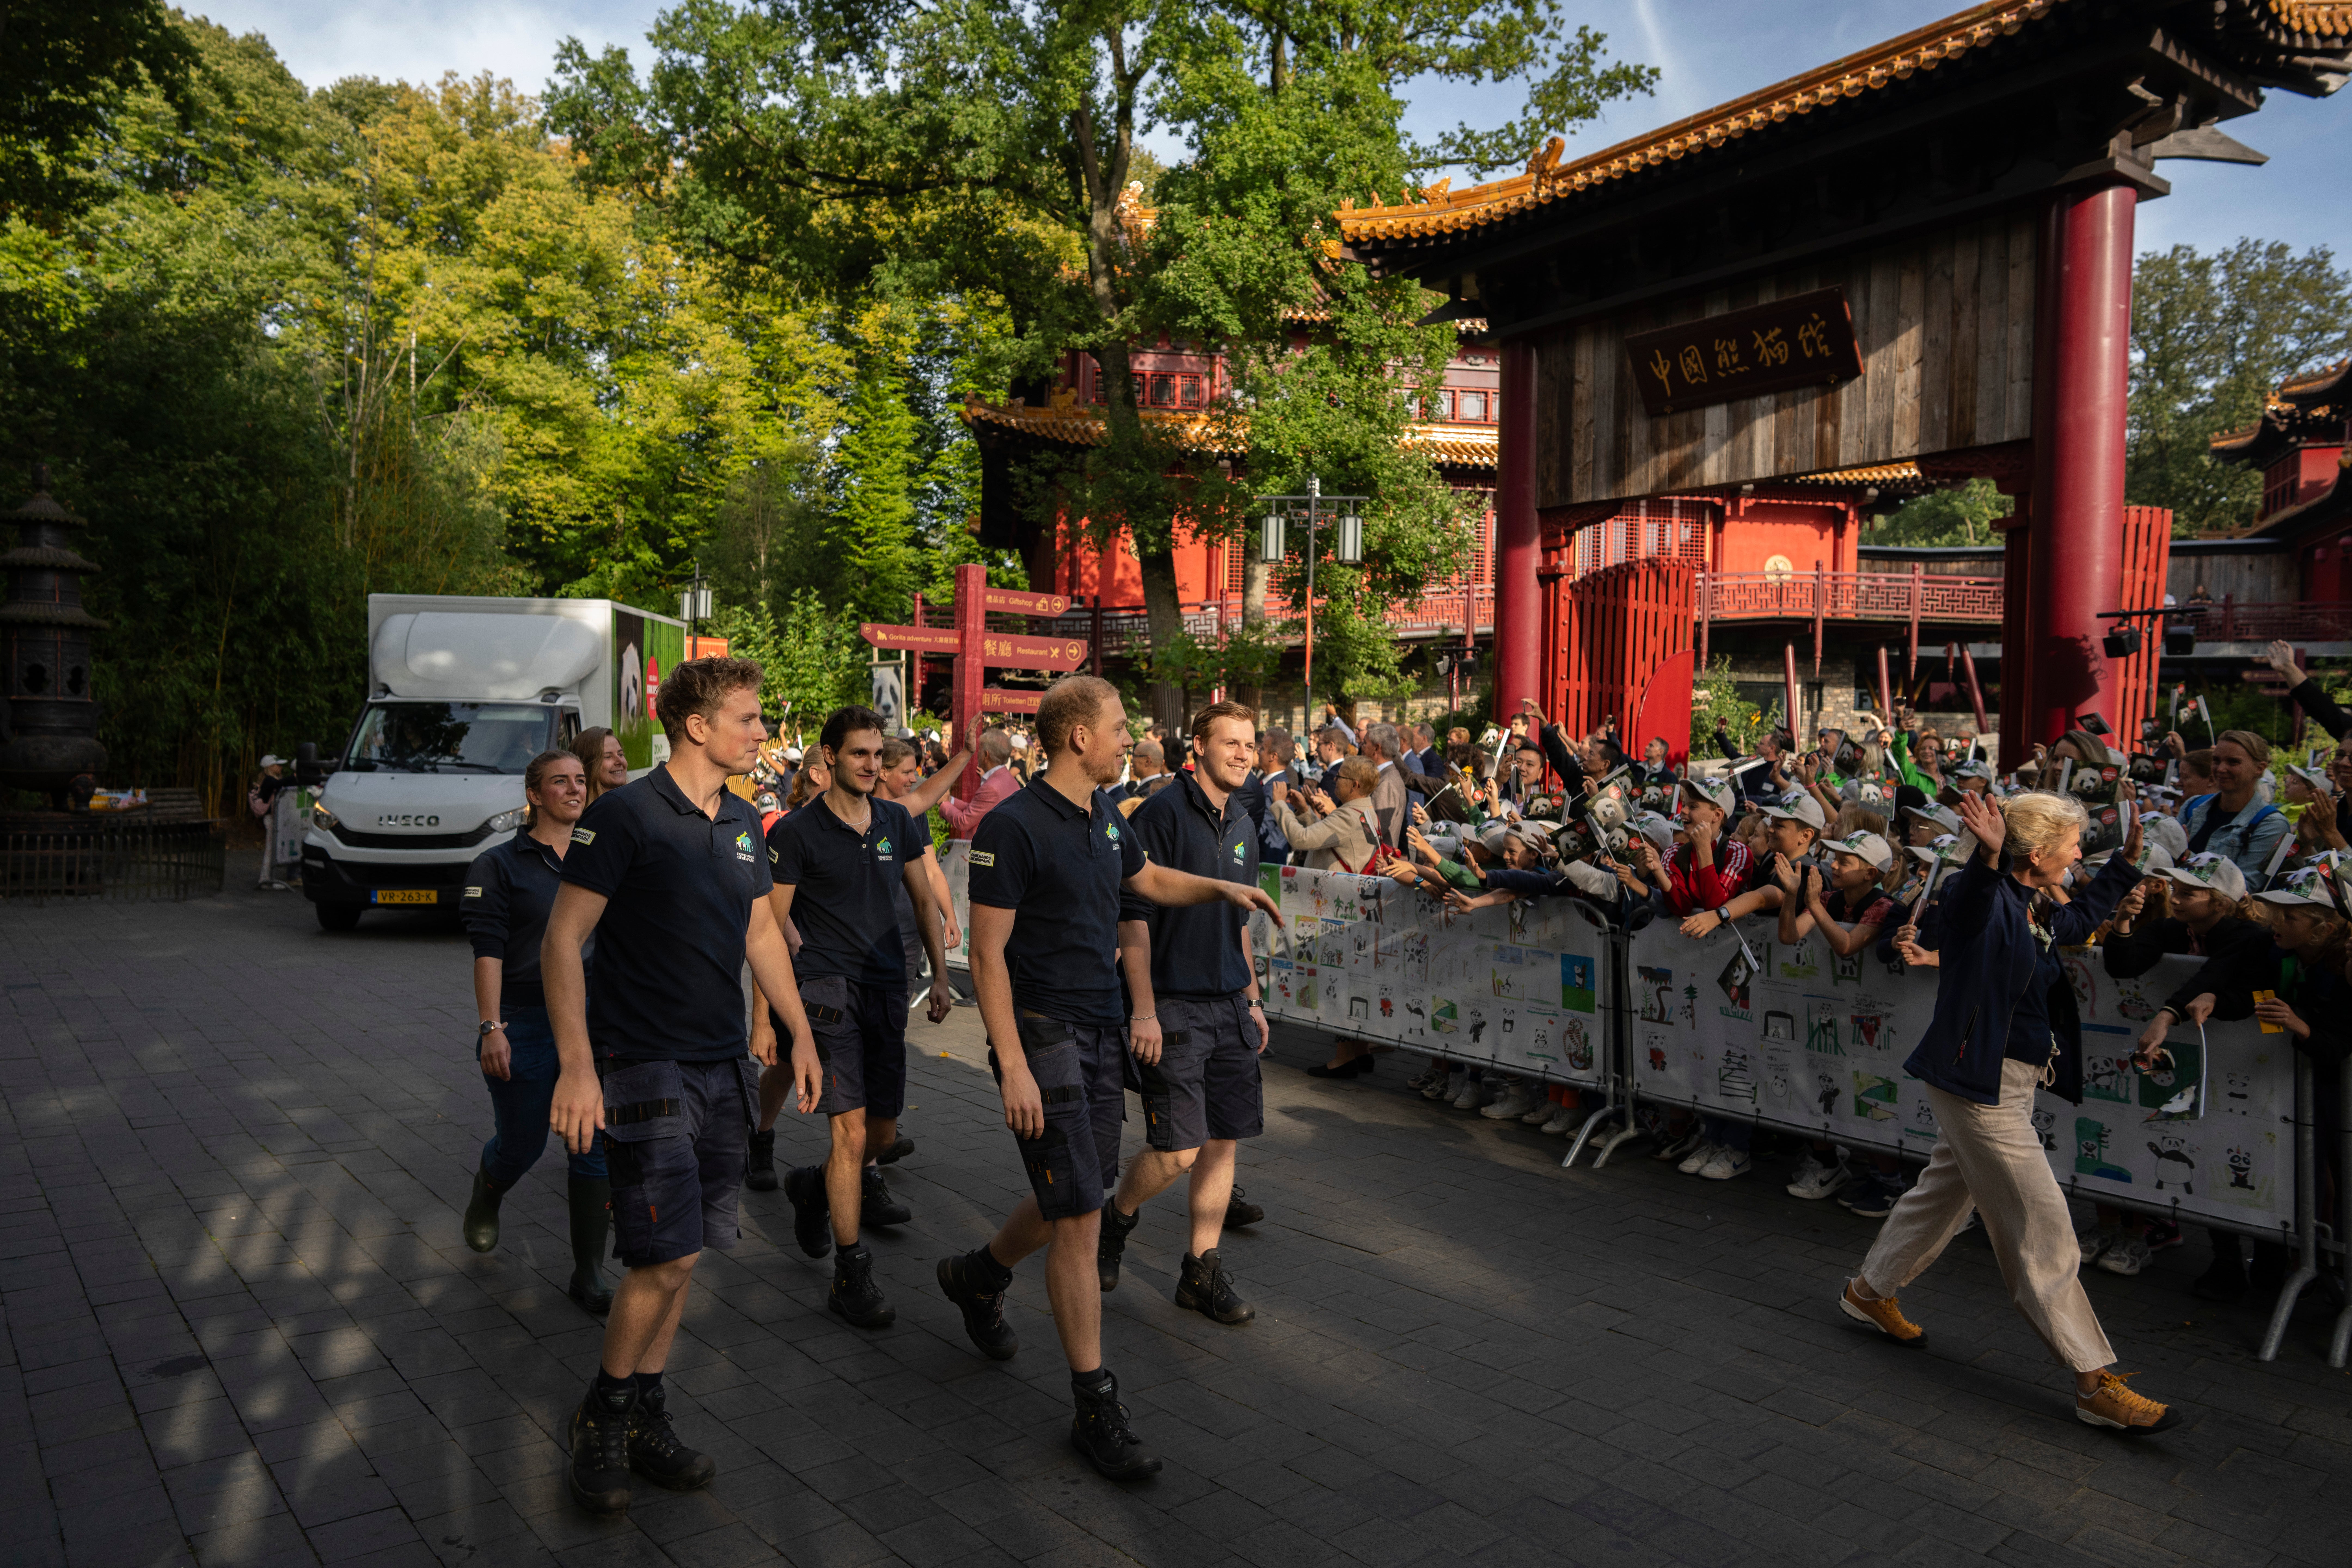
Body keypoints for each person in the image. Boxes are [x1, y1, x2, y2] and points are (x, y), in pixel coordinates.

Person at [935, 675, 1279, 1480]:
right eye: (1120, 726)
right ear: (1077, 737)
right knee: (1083, 1217)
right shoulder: (1013, 826)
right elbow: (985, 956)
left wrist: (1224, 887)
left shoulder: (1105, 817)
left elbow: (1148, 886)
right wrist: (1013, 1063)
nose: (1132, 737)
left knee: (1076, 1197)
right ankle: (1095, 1402)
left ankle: (979, 1275)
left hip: (1100, 1036)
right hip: (1042, 1037)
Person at [542, 656, 824, 1515]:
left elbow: (762, 935)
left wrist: (799, 1036)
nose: (762, 731)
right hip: (642, 1064)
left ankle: (646, 1412)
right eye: (749, 717)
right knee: (662, 1257)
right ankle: (605, 1415)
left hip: (721, 1066)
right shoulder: (624, 816)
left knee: (686, 1254)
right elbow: (561, 944)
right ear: (698, 726)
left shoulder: (744, 822)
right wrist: (579, 1068)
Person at [1837, 788, 2185, 1435]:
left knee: (1942, 1193)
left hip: (2006, 1077)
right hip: (1978, 1084)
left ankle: (1867, 1291)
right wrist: (1991, 857)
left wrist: (2124, 866)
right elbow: (1971, 900)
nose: (2079, 851)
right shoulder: (1986, 895)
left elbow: (2074, 924)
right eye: (2073, 843)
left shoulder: (2029, 902)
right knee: (2042, 1225)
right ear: (2038, 850)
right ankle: (2092, 1379)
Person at [755, 706, 954, 1328]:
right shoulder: (796, 832)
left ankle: (813, 1185)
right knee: (848, 1134)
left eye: (878, 754)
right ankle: (850, 1269)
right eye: (859, 754)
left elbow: (922, 896)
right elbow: (768, 926)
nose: (871, 764)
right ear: (830, 757)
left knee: (883, 1135)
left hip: (887, 988)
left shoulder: (897, 818)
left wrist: (942, 975)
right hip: (827, 994)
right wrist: (773, 1017)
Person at [1097, 700, 1270, 1325]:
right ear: (1198, 747)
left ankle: (1201, 1269)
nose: (1244, 753)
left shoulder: (1246, 820)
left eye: (1250, 744)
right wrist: (1141, 1008)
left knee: (1223, 1141)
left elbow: (1240, 922)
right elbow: (1133, 917)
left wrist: (1251, 999)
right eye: (1231, 742)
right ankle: (1116, 1219)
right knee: (1178, 1149)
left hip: (1228, 1004)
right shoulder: (1163, 813)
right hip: (1170, 1004)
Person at [457, 749, 612, 1313]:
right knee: (522, 1144)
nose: (574, 790)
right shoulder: (499, 866)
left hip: (594, 1018)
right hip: (523, 1018)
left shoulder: (601, 859)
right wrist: (492, 1026)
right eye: (559, 783)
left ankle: (590, 1272)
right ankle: (488, 1192)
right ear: (535, 795)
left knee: (591, 1141)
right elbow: (488, 952)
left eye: (579, 781)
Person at [2106, 852, 2267, 1290]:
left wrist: (2165, 1015)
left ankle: (2251, 1260)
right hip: (2190, 1066)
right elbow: (2124, 965)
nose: (2177, 899)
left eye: (2190, 893)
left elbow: (2214, 977)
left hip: (2247, 1069)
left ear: (2218, 901)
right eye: (2175, 890)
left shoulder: (2246, 936)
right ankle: (2222, 1258)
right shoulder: (2172, 929)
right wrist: (2123, 924)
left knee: (2239, 1152)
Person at [2178, 730, 2289, 888]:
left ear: (2259, 768)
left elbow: (2246, 889)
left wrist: (2188, 859)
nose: (2221, 769)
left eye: (2233, 763)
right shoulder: (2193, 806)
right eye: (2216, 761)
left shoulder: (2271, 824)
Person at [943, 729, 1019, 836]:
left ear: (986, 755)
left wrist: (944, 805)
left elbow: (963, 822)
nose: (978, 753)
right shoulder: (1007, 778)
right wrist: (950, 800)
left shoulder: (992, 787)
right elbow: (975, 809)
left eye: (979, 750)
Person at [249, 755, 293, 889]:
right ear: (270, 767)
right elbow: (280, 784)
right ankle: (265, 879)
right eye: (278, 765)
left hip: (276, 819)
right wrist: (296, 777)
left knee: (273, 850)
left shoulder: (271, 780)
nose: (281, 767)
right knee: (270, 851)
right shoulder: (269, 781)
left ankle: (269, 879)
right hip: (271, 820)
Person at [571, 726, 630, 803]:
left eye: (621, 754)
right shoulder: (578, 813)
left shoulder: (636, 803)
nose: (620, 761)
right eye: (608, 757)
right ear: (588, 765)